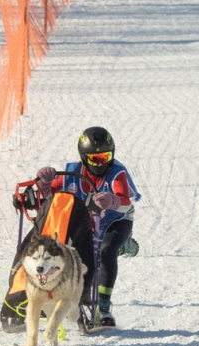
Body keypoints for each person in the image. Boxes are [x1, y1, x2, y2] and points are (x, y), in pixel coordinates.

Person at [36, 126, 140, 326]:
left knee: (106, 250)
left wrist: (113, 201)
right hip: (88, 223)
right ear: (84, 157)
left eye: (105, 157)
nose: (101, 164)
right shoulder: (73, 172)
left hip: (117, 220)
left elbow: (125, 200)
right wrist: (45, 183)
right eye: (95, 159)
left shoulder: (117, 172)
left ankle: (103, 307)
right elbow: (50, 197)